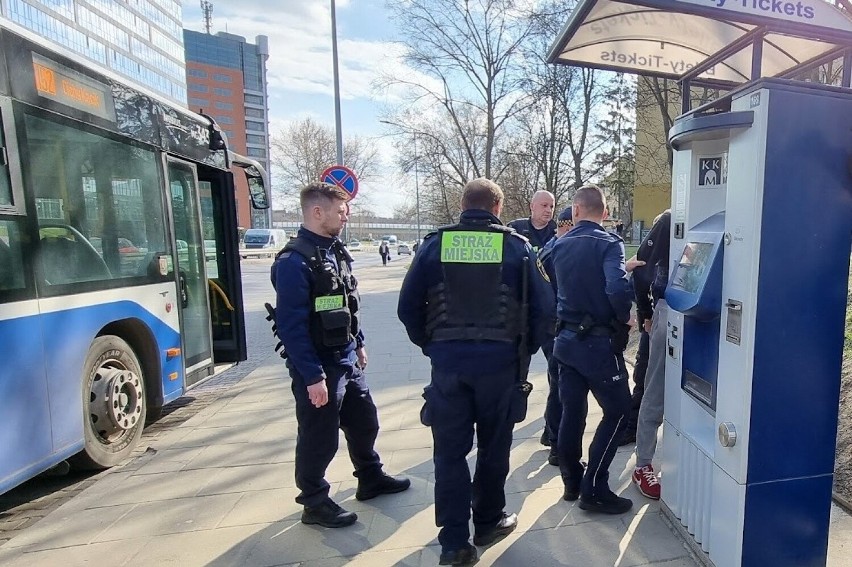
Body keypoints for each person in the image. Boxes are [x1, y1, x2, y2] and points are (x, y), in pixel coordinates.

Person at [397, 178, 554, 566]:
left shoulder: (434, 245)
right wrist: (525, 349)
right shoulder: (516, 248)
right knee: (494, 447)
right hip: (500, 367)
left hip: (449, 366)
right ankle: (487, 521)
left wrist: (431, 345)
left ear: (462, 205)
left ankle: (453, 543)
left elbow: (407, 307)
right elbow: (546, 309)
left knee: (449, 455)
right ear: (498, 208)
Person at [271, 182, 410, 529]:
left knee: (365, 421)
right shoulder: (294, 261)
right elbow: (291, 326)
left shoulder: (334, 251)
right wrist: (312, 376)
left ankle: (370, 477)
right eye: (341, 211)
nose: (346, 216)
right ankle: (314, 502)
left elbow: (348, 303)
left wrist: (359, 342)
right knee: (319, 437)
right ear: (318, 212)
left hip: (346, 358)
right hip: (319, 366)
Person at [550, 184, 639, 515]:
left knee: (572, 413)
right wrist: (624, 315)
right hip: (597, 345)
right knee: (618, 412)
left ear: (574, 211)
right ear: (603, 214)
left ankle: (572, 483)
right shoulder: (608, 243)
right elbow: (615, 286)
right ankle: (595, 488)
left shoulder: (558, 244)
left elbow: (551, 282)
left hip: (565, 341)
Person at [632, 209, 671, 501]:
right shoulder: (670, 219)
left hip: (709, 319)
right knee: (654, 389)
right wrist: (646, 312)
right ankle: (643, 464)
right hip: (668, 310)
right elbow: (641, 269)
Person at [537, 206, 574, 464]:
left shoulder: (549, 247)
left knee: (555, 383)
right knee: (560, 387)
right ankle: (555, 445)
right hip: (558, 327)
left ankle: (549, 433)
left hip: (549, 327)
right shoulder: (560, 252)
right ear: (570, 225)